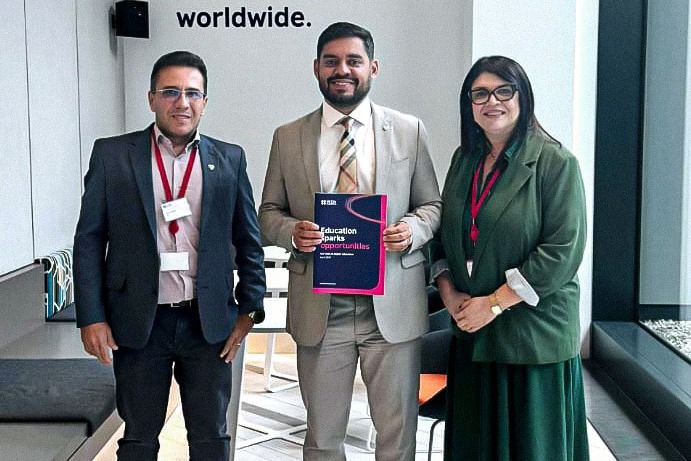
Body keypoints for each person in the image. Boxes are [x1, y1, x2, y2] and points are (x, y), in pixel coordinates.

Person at [259, 22, 441, 461]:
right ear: (316, 68)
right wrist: (292, 232)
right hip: (323, 308)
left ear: (372, 68)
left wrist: (411, 230)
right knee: (322, 438)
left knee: (397, 438)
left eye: (353, 61)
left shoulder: (409, 130)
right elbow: (268, 213)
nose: (342, 70)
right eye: (332, 61)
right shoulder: (288, 136)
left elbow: (432, 206)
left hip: (391, 305)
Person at [73, 50, 266, 461]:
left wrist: (249, 309)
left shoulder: (229, 159)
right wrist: (91, 316)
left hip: (207, 324)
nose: (182, 102)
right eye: (171, 92)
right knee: (139, 438)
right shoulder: (112, 155)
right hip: (139, 321)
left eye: (193, 93)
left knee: (211, 438)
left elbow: (248, 239)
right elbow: (89, 239)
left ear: (205, 102)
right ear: (151, 99)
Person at [431, 55, 589, 460]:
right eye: (480, 94)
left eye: (504, 91)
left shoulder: (555, 162)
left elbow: (561, 252)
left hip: (531, 337)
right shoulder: (464, 160)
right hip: (472, 328)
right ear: (469, 103)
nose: (492, 102)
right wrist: (450, 296)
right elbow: (444, 238)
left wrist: (494, 304)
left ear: (523, 97)